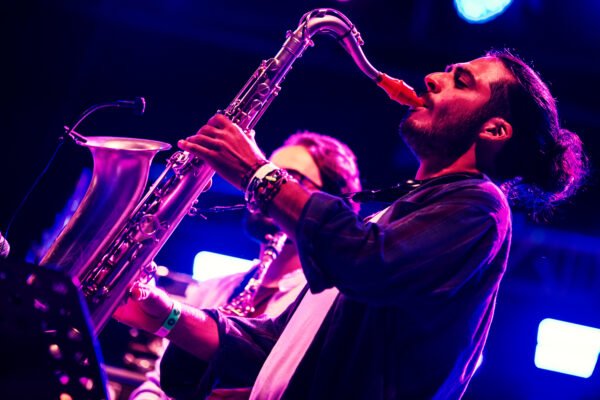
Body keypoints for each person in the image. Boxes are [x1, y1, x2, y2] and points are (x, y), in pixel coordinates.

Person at [115, 49, 588, 399]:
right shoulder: (394, 215)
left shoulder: (479, 207)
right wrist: (156, 309)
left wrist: (260, 175)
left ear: (494, 130)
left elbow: (369, 261)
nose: (431, 78)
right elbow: (275, 347)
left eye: (460, 81)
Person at [126, 131, 362, 400]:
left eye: (288, 178)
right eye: (264, 173)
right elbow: (156, 384)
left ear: (329, 203)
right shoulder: (212, 288)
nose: (262, 188)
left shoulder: (324, 302)